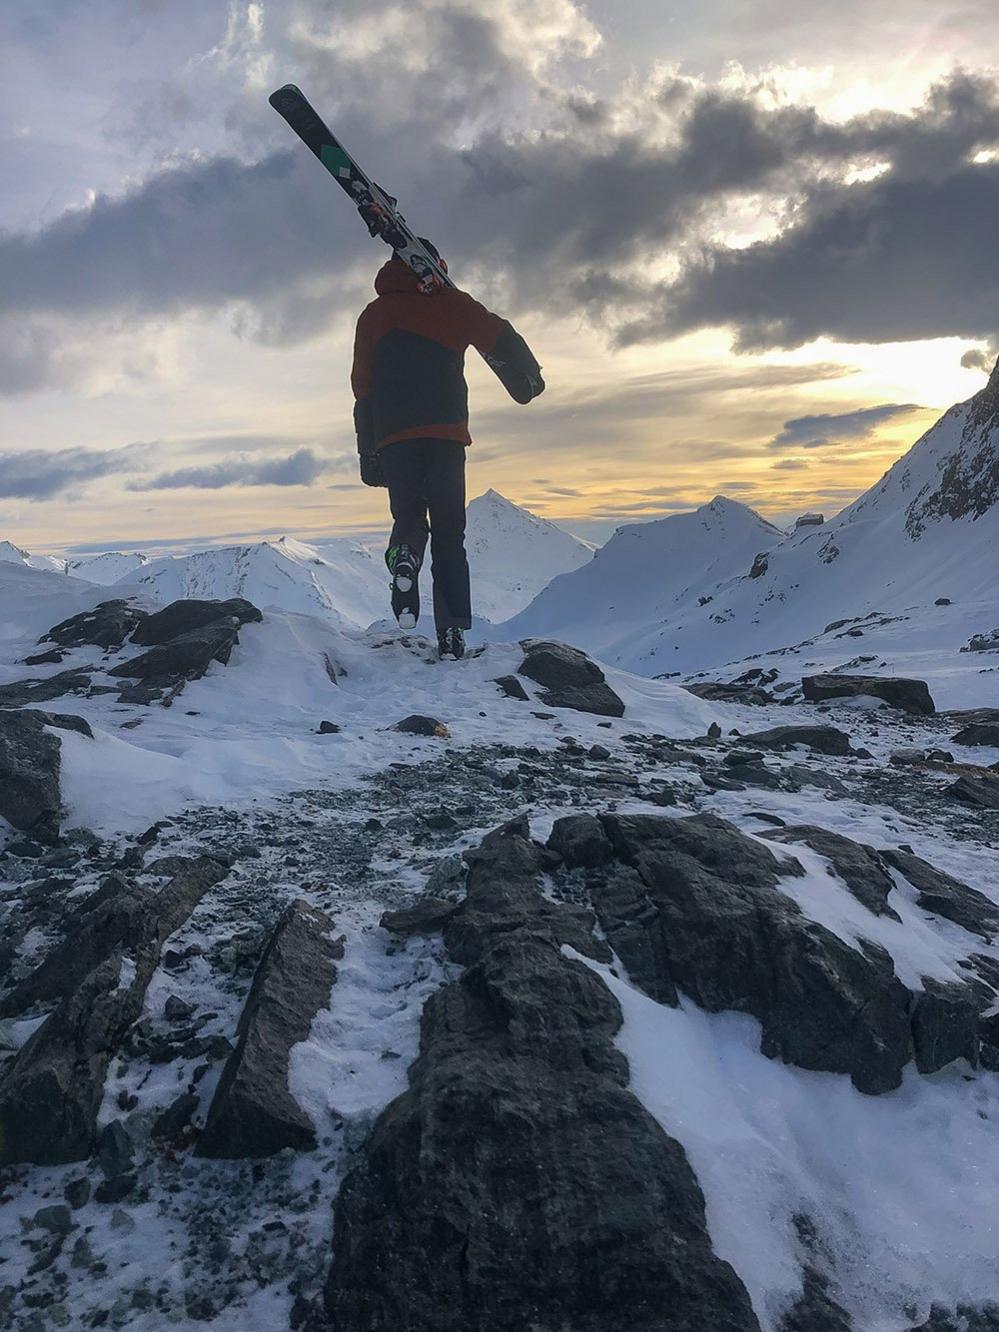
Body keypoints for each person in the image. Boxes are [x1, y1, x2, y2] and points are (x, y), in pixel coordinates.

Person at [350, 239, 543, 660]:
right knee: (450, 534)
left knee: (409, 518)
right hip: (446, 435)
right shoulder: (453, 305)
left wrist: (369, 451)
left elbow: (362, 388)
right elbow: (499, 334)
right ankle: (452, 635)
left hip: (393, 437)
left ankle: (404, 556)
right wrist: (531, 375)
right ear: (434, 267)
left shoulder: (373, 316)